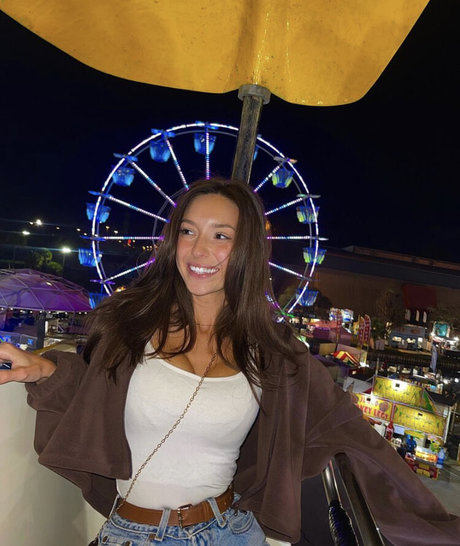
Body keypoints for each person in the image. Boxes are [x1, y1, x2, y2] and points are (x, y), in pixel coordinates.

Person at [0, 178, 459, 546]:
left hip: (229, 531)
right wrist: (46, 370)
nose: (199, 250)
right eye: (188, 232)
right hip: (132, 531)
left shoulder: (274, 351)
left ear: (246, 250)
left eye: (221, 236)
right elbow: (98, 395)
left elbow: (352, 435)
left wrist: (432, 525)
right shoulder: (130, 324)